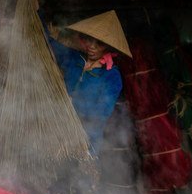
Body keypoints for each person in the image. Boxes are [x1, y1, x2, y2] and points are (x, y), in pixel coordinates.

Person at [44, 10, 132, 154]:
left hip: (86, 143)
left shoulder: (111, 76)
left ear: (109, 47)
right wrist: (37, 10)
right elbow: (48, 43)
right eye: (90, 39)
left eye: (99, 43)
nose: (92, 46)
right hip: (58, 137)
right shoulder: (74, 58)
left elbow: (100, 112)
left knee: (80, 176)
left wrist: (72, 102)